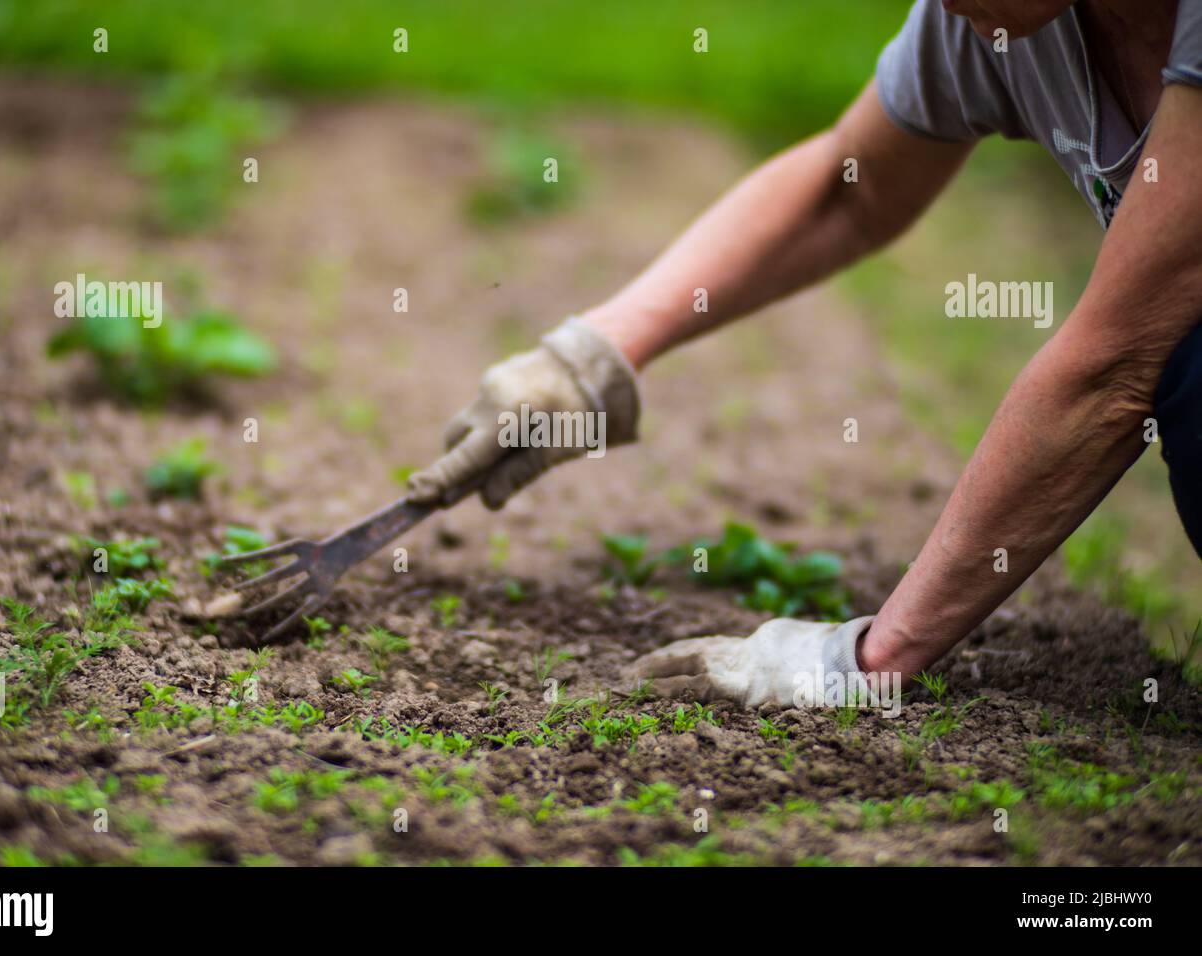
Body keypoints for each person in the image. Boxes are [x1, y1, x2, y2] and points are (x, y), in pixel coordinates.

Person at [407, 0, 1202, 708]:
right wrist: (587, 362)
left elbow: (1113, 365)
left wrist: (864, 659)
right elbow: (849, 188)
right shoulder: (991, 20)